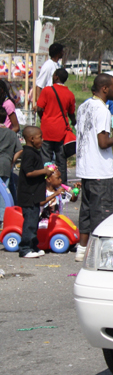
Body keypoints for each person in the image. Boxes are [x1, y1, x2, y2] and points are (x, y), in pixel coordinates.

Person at [74, 74, 113, 262]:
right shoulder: (103, 111)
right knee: (102, 213)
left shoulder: (83, 107)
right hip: (101, 171)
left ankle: (82, 249)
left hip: (85, 168)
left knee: (86, 211)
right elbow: (103, 143)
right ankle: (100, 255)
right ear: (105, 88)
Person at [17, 126, 52, 258]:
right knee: (30, 223)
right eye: (40, 137)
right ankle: (25, 248)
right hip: (28, 195)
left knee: (34, 222)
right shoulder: (28, 153)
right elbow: (29, 172)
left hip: (34, 195)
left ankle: (33, 246)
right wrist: (44, 171)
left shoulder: (34, 152)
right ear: (32, 139)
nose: (42, 140)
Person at [36, 68, 76, 184]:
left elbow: (39, 108)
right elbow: (71, 113)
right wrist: (74, 123)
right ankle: (61, 184)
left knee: (46, 158)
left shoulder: (47, 90)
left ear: (56, 77)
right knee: (61, 160)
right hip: (61, 131)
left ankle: (46, 184)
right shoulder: (70, 94)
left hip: (47, 129)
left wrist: (43, 118)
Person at [0, 117, 23, 221]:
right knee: (5, 192)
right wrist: (11, 161)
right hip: (5, 164)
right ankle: (4, 217)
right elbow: (20, 150)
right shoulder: (11, 133)